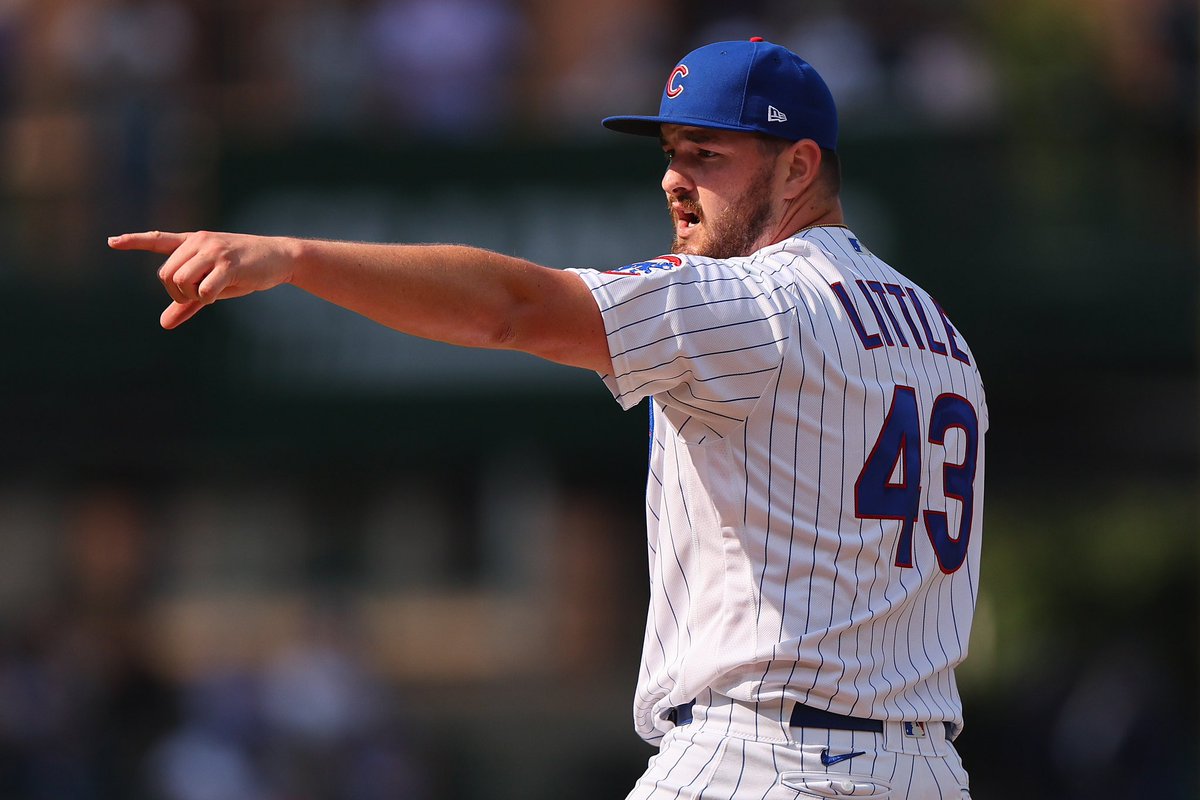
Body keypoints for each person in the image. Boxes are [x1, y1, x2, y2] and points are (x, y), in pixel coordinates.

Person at [111, 38, 986, 800]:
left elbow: (513, 309)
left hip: (760, 761)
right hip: (921, 770)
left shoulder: (754, 302)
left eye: (709, 154)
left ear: (799, 167)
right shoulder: (938, 335)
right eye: (673, 151)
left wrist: (297, 257)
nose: (675, 179)